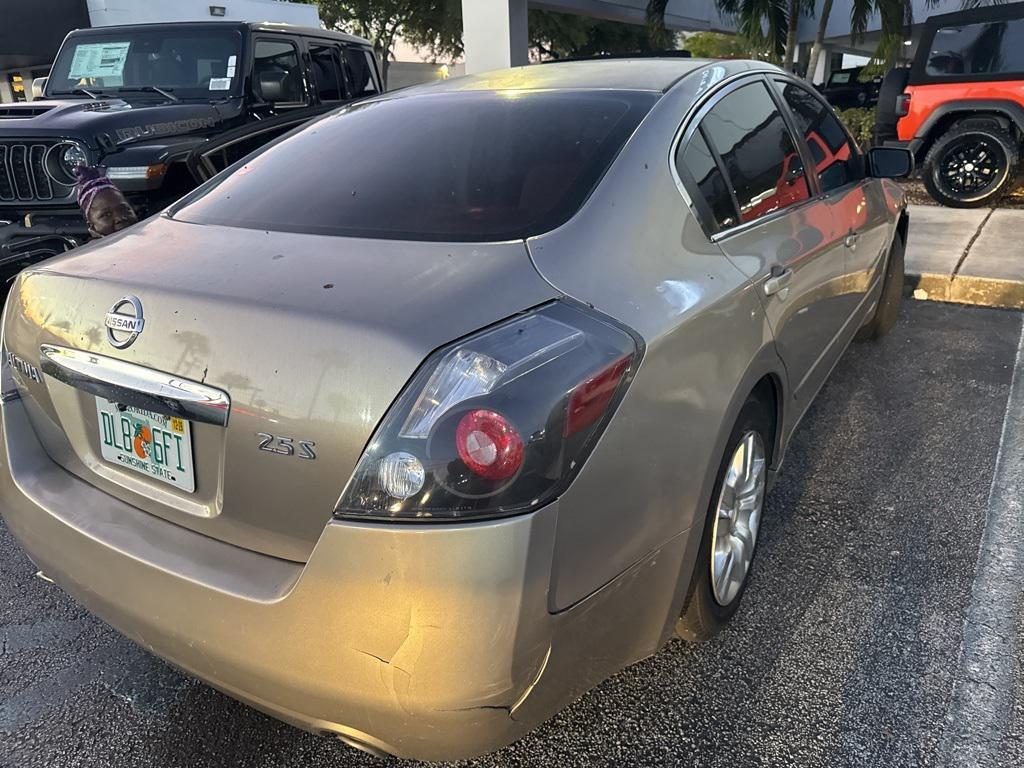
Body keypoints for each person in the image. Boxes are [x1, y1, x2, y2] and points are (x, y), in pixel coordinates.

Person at [74, 165, 138, 238]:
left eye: (124, 209)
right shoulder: (96, 249)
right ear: (92, 226)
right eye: (106, 215)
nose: (120, 218)